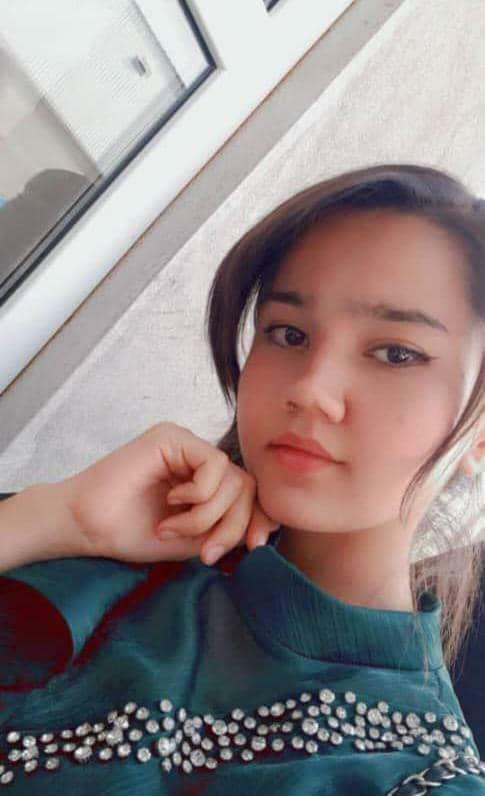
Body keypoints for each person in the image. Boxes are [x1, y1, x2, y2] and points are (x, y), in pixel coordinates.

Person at [0, 162, 484, 794]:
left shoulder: (421, 776)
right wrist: (55, 519)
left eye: (396, 353)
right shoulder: (114, 542)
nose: (310, 389)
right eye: (288, 333)